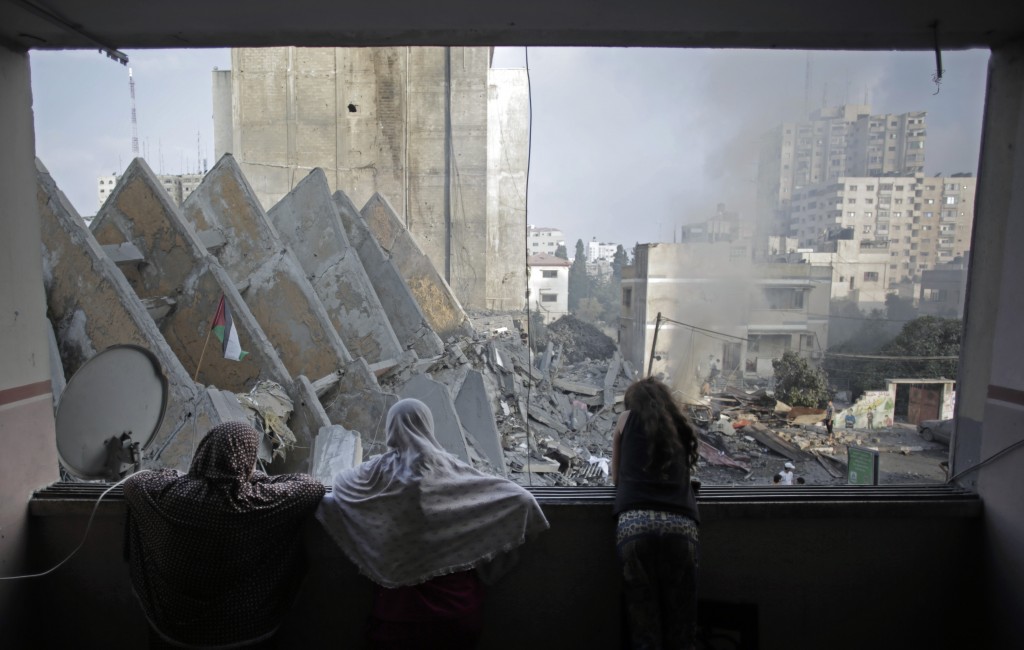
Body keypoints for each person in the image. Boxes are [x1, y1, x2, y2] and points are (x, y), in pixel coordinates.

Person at [318, 398, 549, 649]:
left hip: (399, 617)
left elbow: (340, 486)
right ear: (428, 425)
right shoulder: (452, 469)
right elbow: (520, 498)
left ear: (391, 428)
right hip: (457, 612)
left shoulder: (376, 473)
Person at [123, 421, 326, 649]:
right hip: (243, 630)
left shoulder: (172, 495)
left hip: (173, 629)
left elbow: (134, 482)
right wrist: (255, 479)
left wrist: (180, 476)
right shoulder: (254, 501)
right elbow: (312, 486)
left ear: (204, 450)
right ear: (247, 460)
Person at [612, 376, 700, 650]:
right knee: (681, 629)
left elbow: (616, 480)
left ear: (632, 403)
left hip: (635, 526)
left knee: (644, 631)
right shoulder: (680, 426)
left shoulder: (625, 420)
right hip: (680, 527)